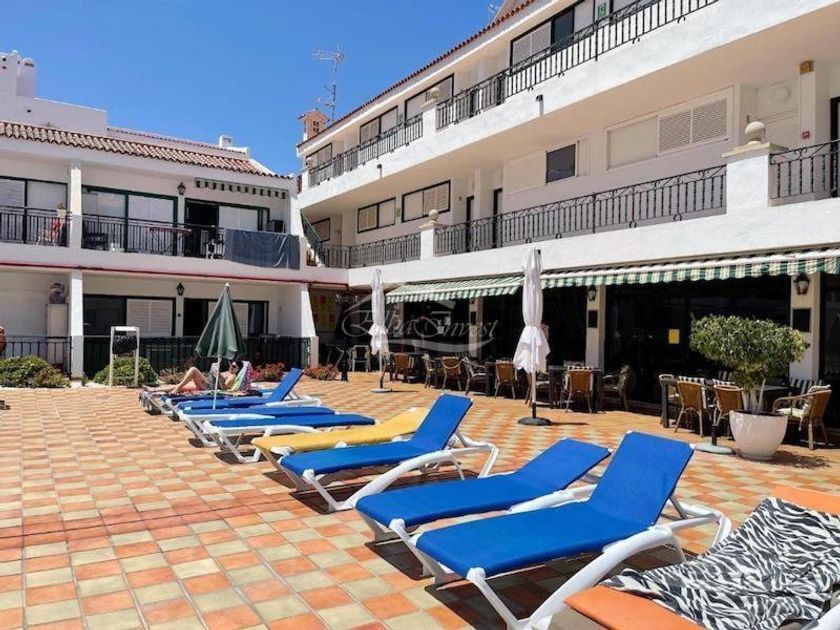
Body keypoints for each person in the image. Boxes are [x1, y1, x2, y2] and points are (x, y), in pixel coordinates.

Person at [143, 360, 242, 395]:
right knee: (180, 385)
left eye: (234, 367)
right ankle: (153, 389)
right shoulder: (228, 372)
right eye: (231, 365)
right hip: (207, 382)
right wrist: (216, 372)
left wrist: (219, 376)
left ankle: (176, 389)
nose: (231, 367)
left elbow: (224, 388)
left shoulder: (233, 376)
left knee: (194, 369)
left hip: (210, 387)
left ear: (238, 369)